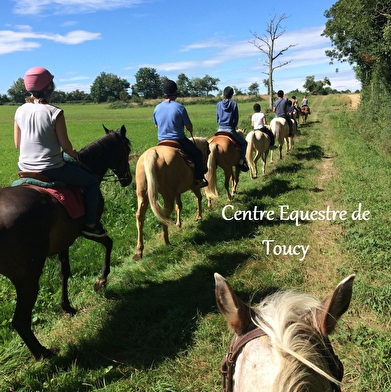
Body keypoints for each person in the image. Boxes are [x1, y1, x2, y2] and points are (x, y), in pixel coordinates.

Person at [14, 66, 106, 237]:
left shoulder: (19, 110)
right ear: (49, 88)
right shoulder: (55, 112)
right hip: (51, 168)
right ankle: (91, 224)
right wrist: (73, 154)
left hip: (24, 167)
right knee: (92, 182)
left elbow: (17, 144)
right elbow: (66, 147)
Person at [153, 79, 208, 188]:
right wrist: (189, 129)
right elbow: (188, 126)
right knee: (197, 154)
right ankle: (198, 179)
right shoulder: (180, 107)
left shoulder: (157, 108)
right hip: (178, 140)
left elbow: (156, 125)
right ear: (175, 92)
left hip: (161, 141)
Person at [216, 86, 249, 172]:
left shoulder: (218, 104)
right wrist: (233, 126)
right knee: (244, 143)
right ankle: (241, 162)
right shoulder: (234, 104)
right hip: (230, 129)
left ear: (224, 94)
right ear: (232, 94)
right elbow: (236, 118)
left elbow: (217, 118)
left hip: (219, 130)